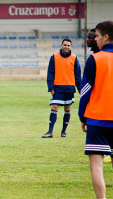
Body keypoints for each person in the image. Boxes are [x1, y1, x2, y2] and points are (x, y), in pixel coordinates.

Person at [78, 20, 113, 199]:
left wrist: (82, 117)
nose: (96, 39)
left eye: (97, 36)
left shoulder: (95, 59)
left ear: (106, 37)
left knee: (96, 165)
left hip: (97, 119)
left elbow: (85, 91)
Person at [42, 38, 81, 138]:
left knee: (67, 109)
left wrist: (80, 89)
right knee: (54, 107)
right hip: (57, 87)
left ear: (70, 47)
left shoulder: (74, 58)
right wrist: (50, 87)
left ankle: (63, 132)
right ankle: (50, 132)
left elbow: (77, 76)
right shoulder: (54, 57)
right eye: (65, 45)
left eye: (68, 45)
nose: (66, 47)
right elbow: (50, 73)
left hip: (69, 88)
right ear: (61, 45)